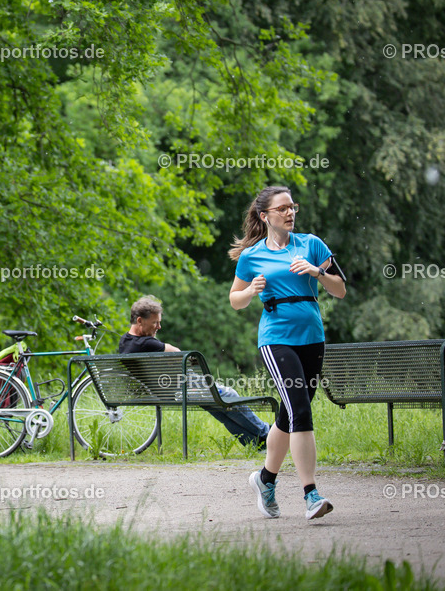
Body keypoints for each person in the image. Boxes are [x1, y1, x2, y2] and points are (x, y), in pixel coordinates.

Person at [229, 186, 346, 521]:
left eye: (293, 207)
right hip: (276, 338)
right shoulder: (252, 255)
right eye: (282, 208)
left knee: (290, 414)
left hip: (312, 336)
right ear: (265, 216)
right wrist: (250, 290)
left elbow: (340, 289)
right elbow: (235, 299)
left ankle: (265, 480)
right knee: (300, 411)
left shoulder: (312, 244)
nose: (290, 213)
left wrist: (317, 272)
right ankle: (311, 494)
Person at [119, 296, 270, 449]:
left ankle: (256, 443)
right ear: (139, 321)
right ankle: (267, 433)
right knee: (229, 396)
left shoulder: (125, 341)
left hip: (165, 390)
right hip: (181, 387)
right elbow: (178, 353)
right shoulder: (147, 343)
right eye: (155, 323)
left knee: (219, 407)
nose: (159, 327)